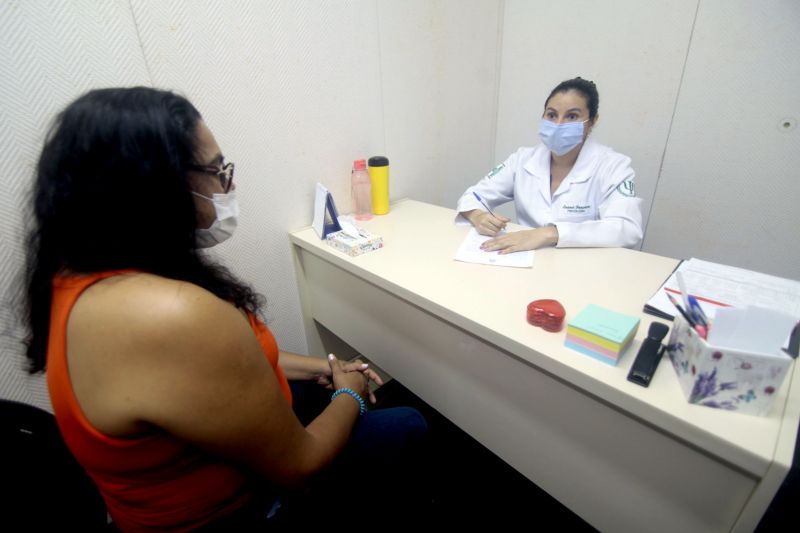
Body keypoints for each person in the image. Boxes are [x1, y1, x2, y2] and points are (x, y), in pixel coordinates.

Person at [24, 87, 427, 531]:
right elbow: (304, 465)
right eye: (217, 170)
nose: (226, 185)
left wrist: (324, 364)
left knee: (324, 396)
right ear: (157, 187)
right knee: (406, 423)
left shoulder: (75, 281)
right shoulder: (172, 316)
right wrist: (348, 389)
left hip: (150, 505)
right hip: (232, 516)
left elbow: (223, 370)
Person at [456, 77, 643, 252]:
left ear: (592, 121)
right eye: (552, 115)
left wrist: (549, 234)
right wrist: (478, 216)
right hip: (523, 258)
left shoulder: (614, 166)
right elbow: (475, 195)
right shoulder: (523, 159)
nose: (559, 124)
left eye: (572, 116)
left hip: (581, 267)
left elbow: (627, 228)